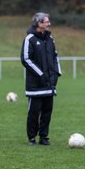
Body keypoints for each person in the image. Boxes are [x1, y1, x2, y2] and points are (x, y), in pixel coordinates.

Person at [20, 12, 62, 146]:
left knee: (47, 112)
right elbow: (26, 59)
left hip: (49, 84)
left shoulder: (50, 39)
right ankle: (32, 137)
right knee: (34, 112)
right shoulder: (29, 39)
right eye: (46, 21)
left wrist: (57, 73)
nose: (49, 24)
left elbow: (55, 56)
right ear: (39, 24)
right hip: (35, 85)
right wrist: (41, 74)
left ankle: (44, 137)